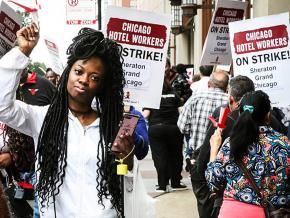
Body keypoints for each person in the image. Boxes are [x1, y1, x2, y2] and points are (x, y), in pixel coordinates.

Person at [0, 24, 147, 217]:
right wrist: (22, 51)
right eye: (79, 71)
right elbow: (3, 106)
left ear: (101, 85)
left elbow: (124, 182)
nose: (84, 80)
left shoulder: (111, 126)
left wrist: (127, 159)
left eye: (94, 77)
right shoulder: (42, 119)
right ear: (68, 72)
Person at [205, 90, 290, 218]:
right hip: (274, 212)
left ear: (240, 113)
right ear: (268, 114)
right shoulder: (284, 143)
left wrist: (214, 150)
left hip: (233, 212)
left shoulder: (230, 143)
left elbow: (214, 182)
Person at [143, 59, 186, 193]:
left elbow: (145, 114)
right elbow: (181, 111)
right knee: (176, 156)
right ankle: (175, 182)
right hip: (174, 128)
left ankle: (162, 185)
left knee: (160, 157)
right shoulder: (174, 94)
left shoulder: (152, 96)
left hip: (156, 128)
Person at [177, 71, 229, 160]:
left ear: (209, 84)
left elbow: (182, 126)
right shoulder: (229, 101)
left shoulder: (195, 97)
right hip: (221, 155)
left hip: (197, 153)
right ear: (226, 87)